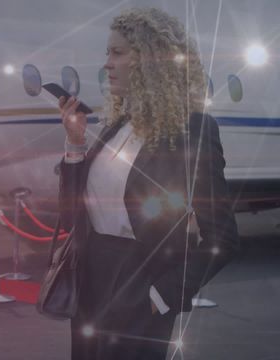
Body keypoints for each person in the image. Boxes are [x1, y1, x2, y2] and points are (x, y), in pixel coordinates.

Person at [57, 7, 239, 360]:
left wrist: (163, 295)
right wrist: (75, 143)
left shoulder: (192, 131)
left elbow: (223, 238)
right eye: (108, 53)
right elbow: (71, 215)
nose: (107, 63)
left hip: (141, 281)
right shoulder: (117, 124)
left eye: (117, 53)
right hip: (91, 278)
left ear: (150, 61)